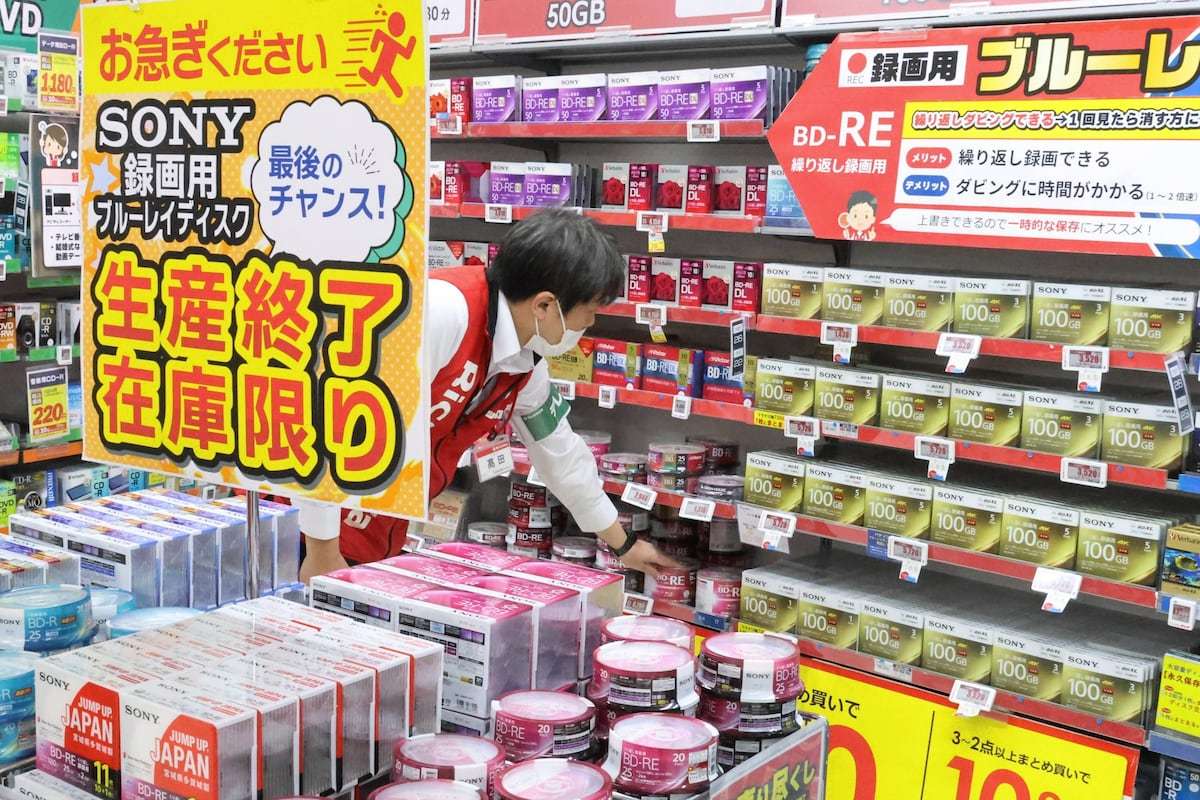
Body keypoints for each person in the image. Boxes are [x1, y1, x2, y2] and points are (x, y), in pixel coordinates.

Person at [298, 209, 679, 581]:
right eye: (590, 311)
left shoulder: (523, 362)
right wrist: (321, 552)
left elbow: (560, 453)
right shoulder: (443, 313)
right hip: (308, 526)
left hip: (376, 525)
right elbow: (330, 418)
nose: (590, 324)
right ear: (544, 305)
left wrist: (623, 543)